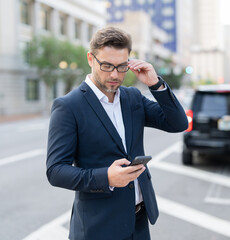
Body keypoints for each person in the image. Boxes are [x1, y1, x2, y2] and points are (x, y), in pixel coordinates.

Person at [46, 26, 188, 240]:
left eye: (121, 67)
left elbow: (178, 123)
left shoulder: (132, 98)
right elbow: (56, 171)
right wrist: (106, 178)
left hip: (138, 222)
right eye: (106, 65)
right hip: (98, 227)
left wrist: (155, 83)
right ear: (90, 59)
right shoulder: (68, 106)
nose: (114, 74)